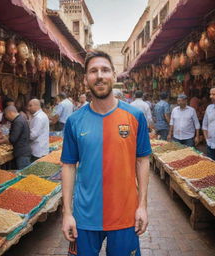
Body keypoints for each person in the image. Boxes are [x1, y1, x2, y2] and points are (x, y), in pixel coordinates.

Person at [61, 51, 151, 256]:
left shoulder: (135, 116)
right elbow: (67, 166)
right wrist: (67, 213)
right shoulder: (75, 121)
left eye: (105, 70)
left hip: (125, 215)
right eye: (93, 71)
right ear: (86, 79)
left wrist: (143, 206)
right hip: (84, 217)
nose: (99, 75)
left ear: (114, 75)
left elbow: (142, 161)